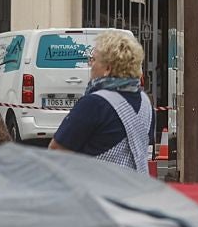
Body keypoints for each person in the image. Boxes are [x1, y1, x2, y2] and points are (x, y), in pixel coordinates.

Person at [49, 30, 152, 173]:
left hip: (96, 190)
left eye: (94, 59)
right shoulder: (145, 102)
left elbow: (56, 151)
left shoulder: (94, 104)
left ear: (107, 69)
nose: (91, 64)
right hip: (135, 189)